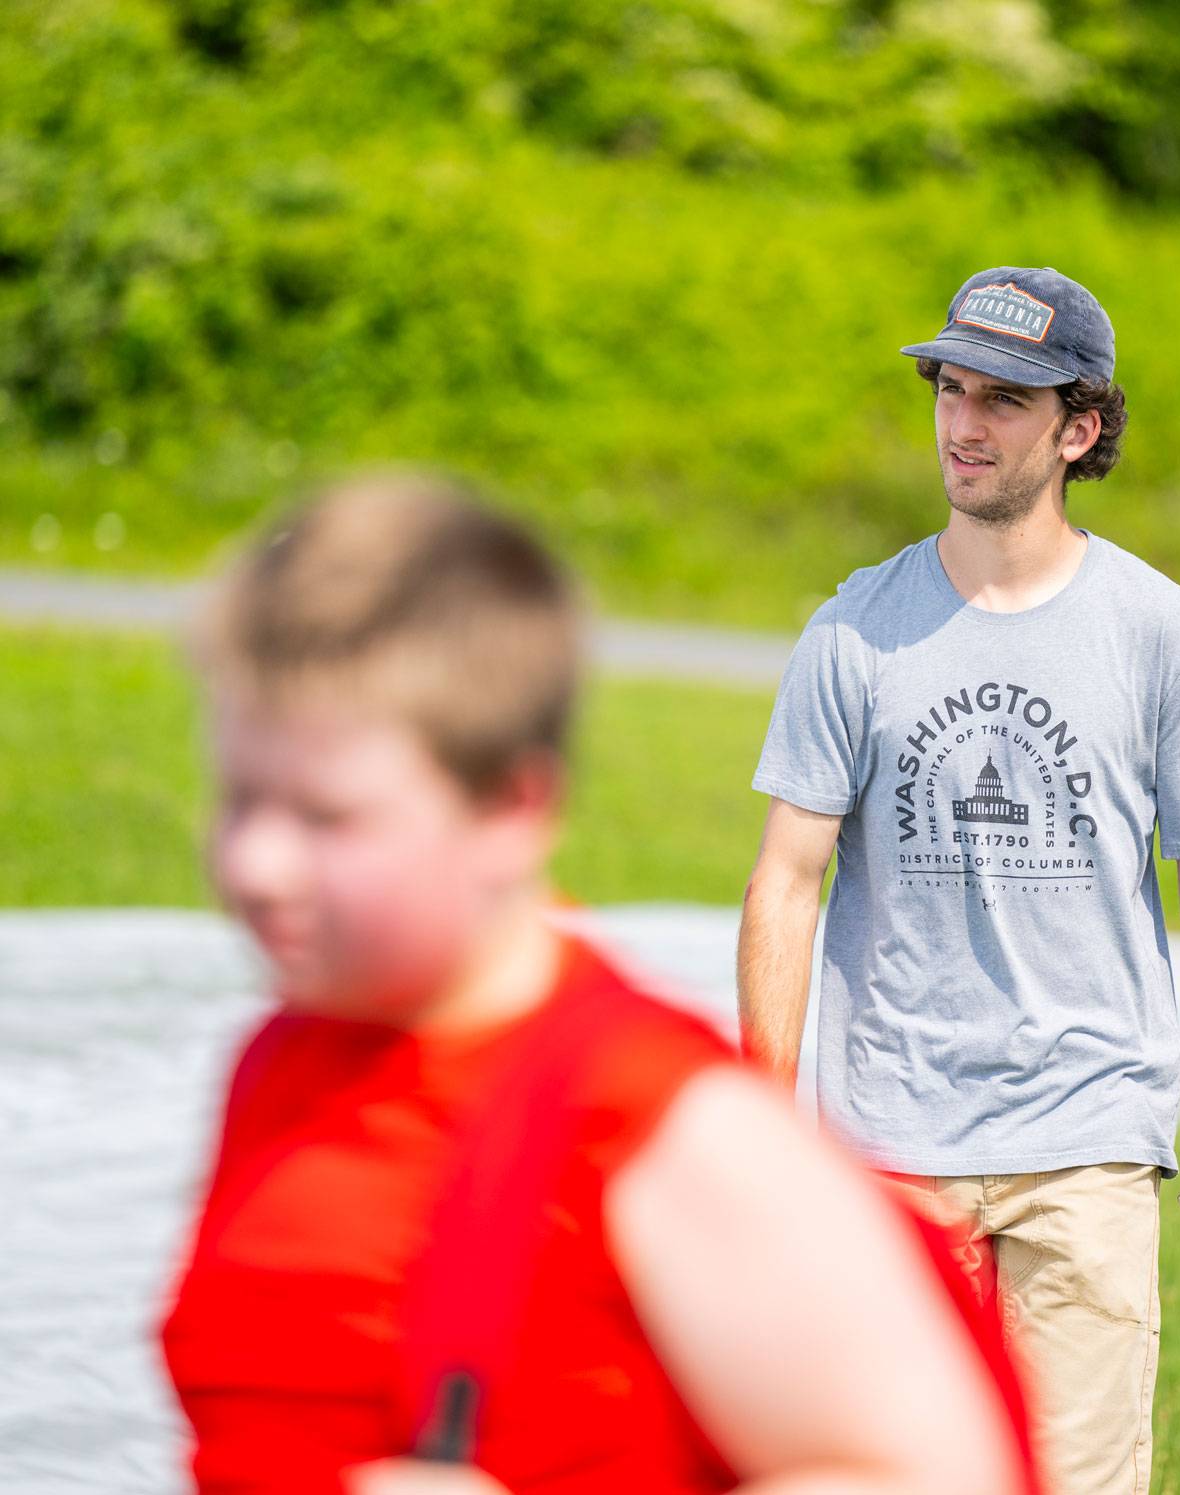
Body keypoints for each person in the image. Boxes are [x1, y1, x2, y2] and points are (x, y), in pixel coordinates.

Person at [160, 473, 1040, 1495]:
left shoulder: (668, 1128)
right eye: (241, 796)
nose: (257, 864)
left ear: (513, 808)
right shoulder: (283, 1059)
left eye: (325, 817)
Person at [737, 267, 1180, 1494]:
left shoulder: (1159, 631)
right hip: (888, 1143)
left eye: (1000, 399)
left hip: (1084, 1143)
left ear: (1078, 428)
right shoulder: (853, 628)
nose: (960, 423)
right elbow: (785, 879)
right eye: (948, 388)